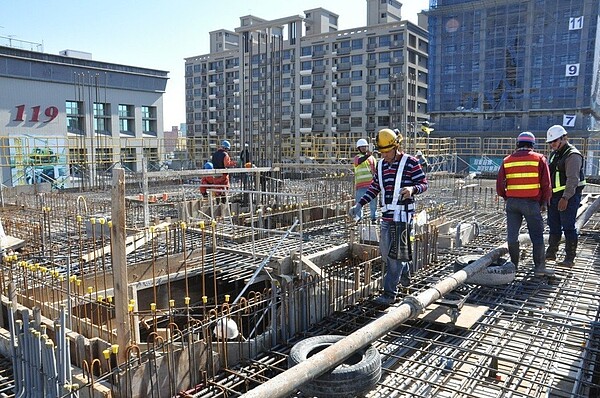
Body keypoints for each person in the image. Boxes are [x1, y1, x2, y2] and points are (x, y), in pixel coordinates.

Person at [349, 128, 428, 305]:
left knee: (393, 257)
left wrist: (412, 189)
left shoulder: (411, 162)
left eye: (387, 152)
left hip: (403, 216)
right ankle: (405, 272)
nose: (385, 156)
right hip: (386, 216)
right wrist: (360, 204)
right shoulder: (381, 165)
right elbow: (375, 188)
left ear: (396, 146)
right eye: (382, 152)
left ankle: (389, 294)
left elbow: (423, 184)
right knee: (386, 254)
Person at [496, 132, 554, 276]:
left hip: (512, 203)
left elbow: (499, 186)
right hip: (531, 202)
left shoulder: (507, 160)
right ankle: (539, 268)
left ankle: (514, 266)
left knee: (512, 236)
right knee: (536, 235)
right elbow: (546, 184)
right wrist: (544, 203)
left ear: (518, 144)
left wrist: (507, 197)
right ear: (532, 145)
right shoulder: (539, 158)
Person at [544, 125, 586, 266]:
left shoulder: (572, 155)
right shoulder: (555, 154)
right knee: (554, 226)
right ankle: (551, 254)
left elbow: (572, 179)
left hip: (569, 196)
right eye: (550, 142)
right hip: (555, 196)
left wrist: (565, 198)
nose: (552, 145)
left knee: (568, 227)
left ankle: (569, 258)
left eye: (554, 141)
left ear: (564, 138)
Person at [353, 138, 378, 222]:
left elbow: (375, 170)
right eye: (362, 147)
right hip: (360, 186)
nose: (364, 148)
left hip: (371, 185)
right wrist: (368, 155)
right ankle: (359, 218)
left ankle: (373, 218)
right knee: (359, 203)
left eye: (365, 147)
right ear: (358, 148)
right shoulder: (357, 157)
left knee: (373, 203)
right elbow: (359, 161)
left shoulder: (372, 158)